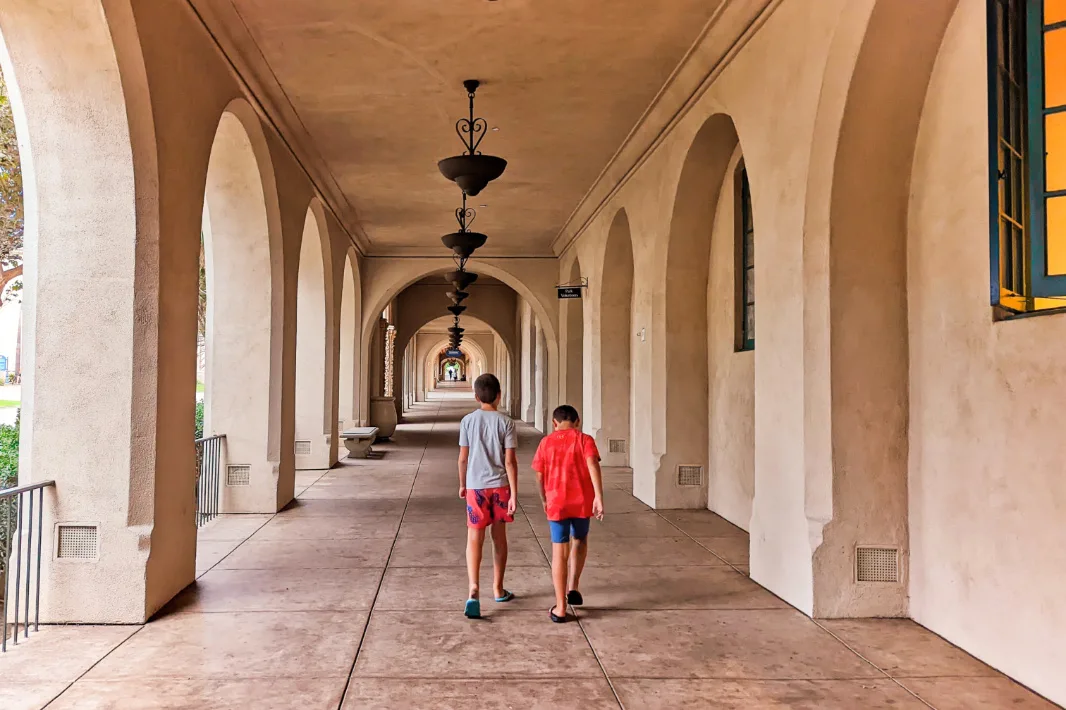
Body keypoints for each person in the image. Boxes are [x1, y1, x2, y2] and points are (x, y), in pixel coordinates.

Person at [531, 404, 604, 623]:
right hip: (582, 502)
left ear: (554, 423)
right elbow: (593, 464)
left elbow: (539, 475)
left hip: (557, 503)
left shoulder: (546, 442)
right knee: (580, 539)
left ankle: (561, 607)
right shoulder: (585, 440)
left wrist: (544, 499)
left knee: (559, 551)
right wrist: (598, 496)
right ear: (577, 421)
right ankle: (573, 587)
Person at [458, 373, 518, 619]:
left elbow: (463, 457)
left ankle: (474, 587)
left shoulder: (468, 421)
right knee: (499, 538)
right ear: (499, 395)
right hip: (500, 487)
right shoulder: (506, 423)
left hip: (476, 487)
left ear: (476, 396)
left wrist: (463, 484)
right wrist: (514, 493)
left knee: (474, 538)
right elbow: (510, 461)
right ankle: (498, 588)